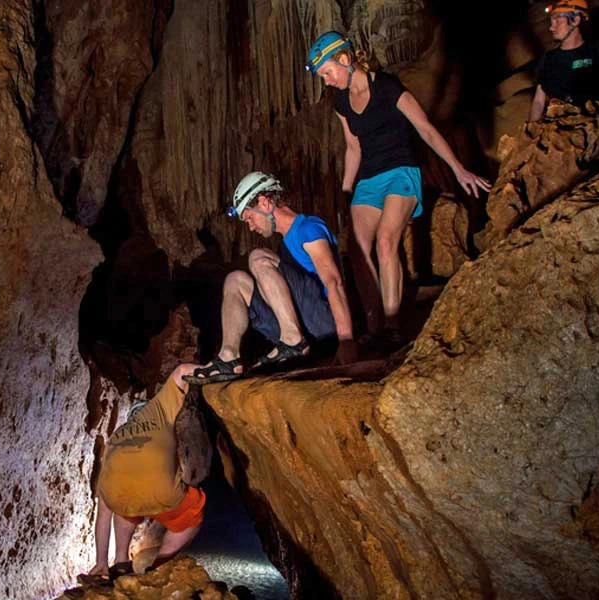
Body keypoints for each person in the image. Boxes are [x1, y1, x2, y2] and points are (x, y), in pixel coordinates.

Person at [305, 32, 491, 345]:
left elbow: (426, 130)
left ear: (345, 60)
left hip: (401, 172)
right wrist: (346, 191)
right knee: (358, 249)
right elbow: (353, 148)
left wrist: (458, 170)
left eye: (327, 73)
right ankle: (374, 325)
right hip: (369, 179)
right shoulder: (341, 103)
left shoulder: (388, 87)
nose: (327, 81)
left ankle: (392, 325)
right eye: (323, 76)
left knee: (386, 240)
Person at [183, 171, 356, 384]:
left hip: (324, 322)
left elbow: (334, 282)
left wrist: (346, 339)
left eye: (249, 218)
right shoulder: (284, 246)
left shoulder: (308, 228)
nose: (251, 226)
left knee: (258, 257)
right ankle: (228, 357)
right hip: (305, 327)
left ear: (264, 203)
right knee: (235, 280)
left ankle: (293, 342)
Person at [87, 363, 206, 577]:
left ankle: (119, 562)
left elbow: (103, 510)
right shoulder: (159, 411)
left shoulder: (116, 438)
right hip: (162, 493)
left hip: (118, 495)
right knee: (193, 514)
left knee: (122, 502)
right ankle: (159, 566)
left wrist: (100, 561)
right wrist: (220, 366)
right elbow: (182, 371)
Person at [528, 0, 599, 121]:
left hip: (594, 124)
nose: (551, 28)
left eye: (557, 21)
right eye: (551, 21)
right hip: (558, 127)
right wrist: (530, 132)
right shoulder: (548, 59)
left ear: (575, 20)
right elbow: (539, 101)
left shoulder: (598, 52)